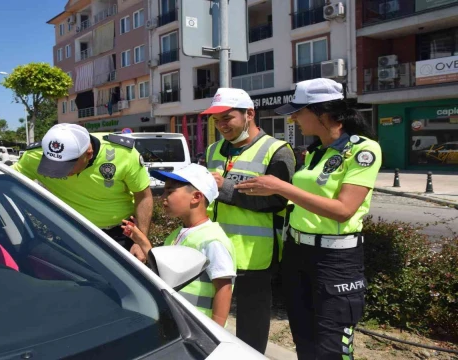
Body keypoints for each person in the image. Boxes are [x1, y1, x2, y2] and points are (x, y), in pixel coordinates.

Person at [235, 78, 382, 359]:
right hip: (298, 253)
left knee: (331, 348)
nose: (293, 118)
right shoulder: (315, 151)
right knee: (304, 341)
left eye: (298, 111)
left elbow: (343, 209)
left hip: (335, 261)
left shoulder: (363, 150)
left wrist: (280, 187)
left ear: (322, 112)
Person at [0, 124, 153, 261]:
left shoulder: (122, 154)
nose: (61, 172)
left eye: (67, 166)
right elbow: (12, 176)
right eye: (53, 166)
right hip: (71, 234)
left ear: (88, 153)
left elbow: (143, 196)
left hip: (119, 236)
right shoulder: (35, 156)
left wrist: (140, 240)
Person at [200, 87, 296, 353]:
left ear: (249, 114)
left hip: (255, 256)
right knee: (209, 318)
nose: (221, 125)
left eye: (227, 118)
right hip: (215, 249)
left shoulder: (277, 151)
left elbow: (277, 202)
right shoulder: (213, 150)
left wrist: (225, 188)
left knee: (251, 327)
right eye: (216, 120)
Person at [121, 164, 236, 327]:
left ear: (196, 197)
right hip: (179, 322)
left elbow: (224, 289)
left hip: (198, 326)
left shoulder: (212, 239)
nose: (162, 198)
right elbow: (164, 271)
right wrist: (142, 241)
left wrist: (216, 330)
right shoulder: (176, 235)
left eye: (169, 191)